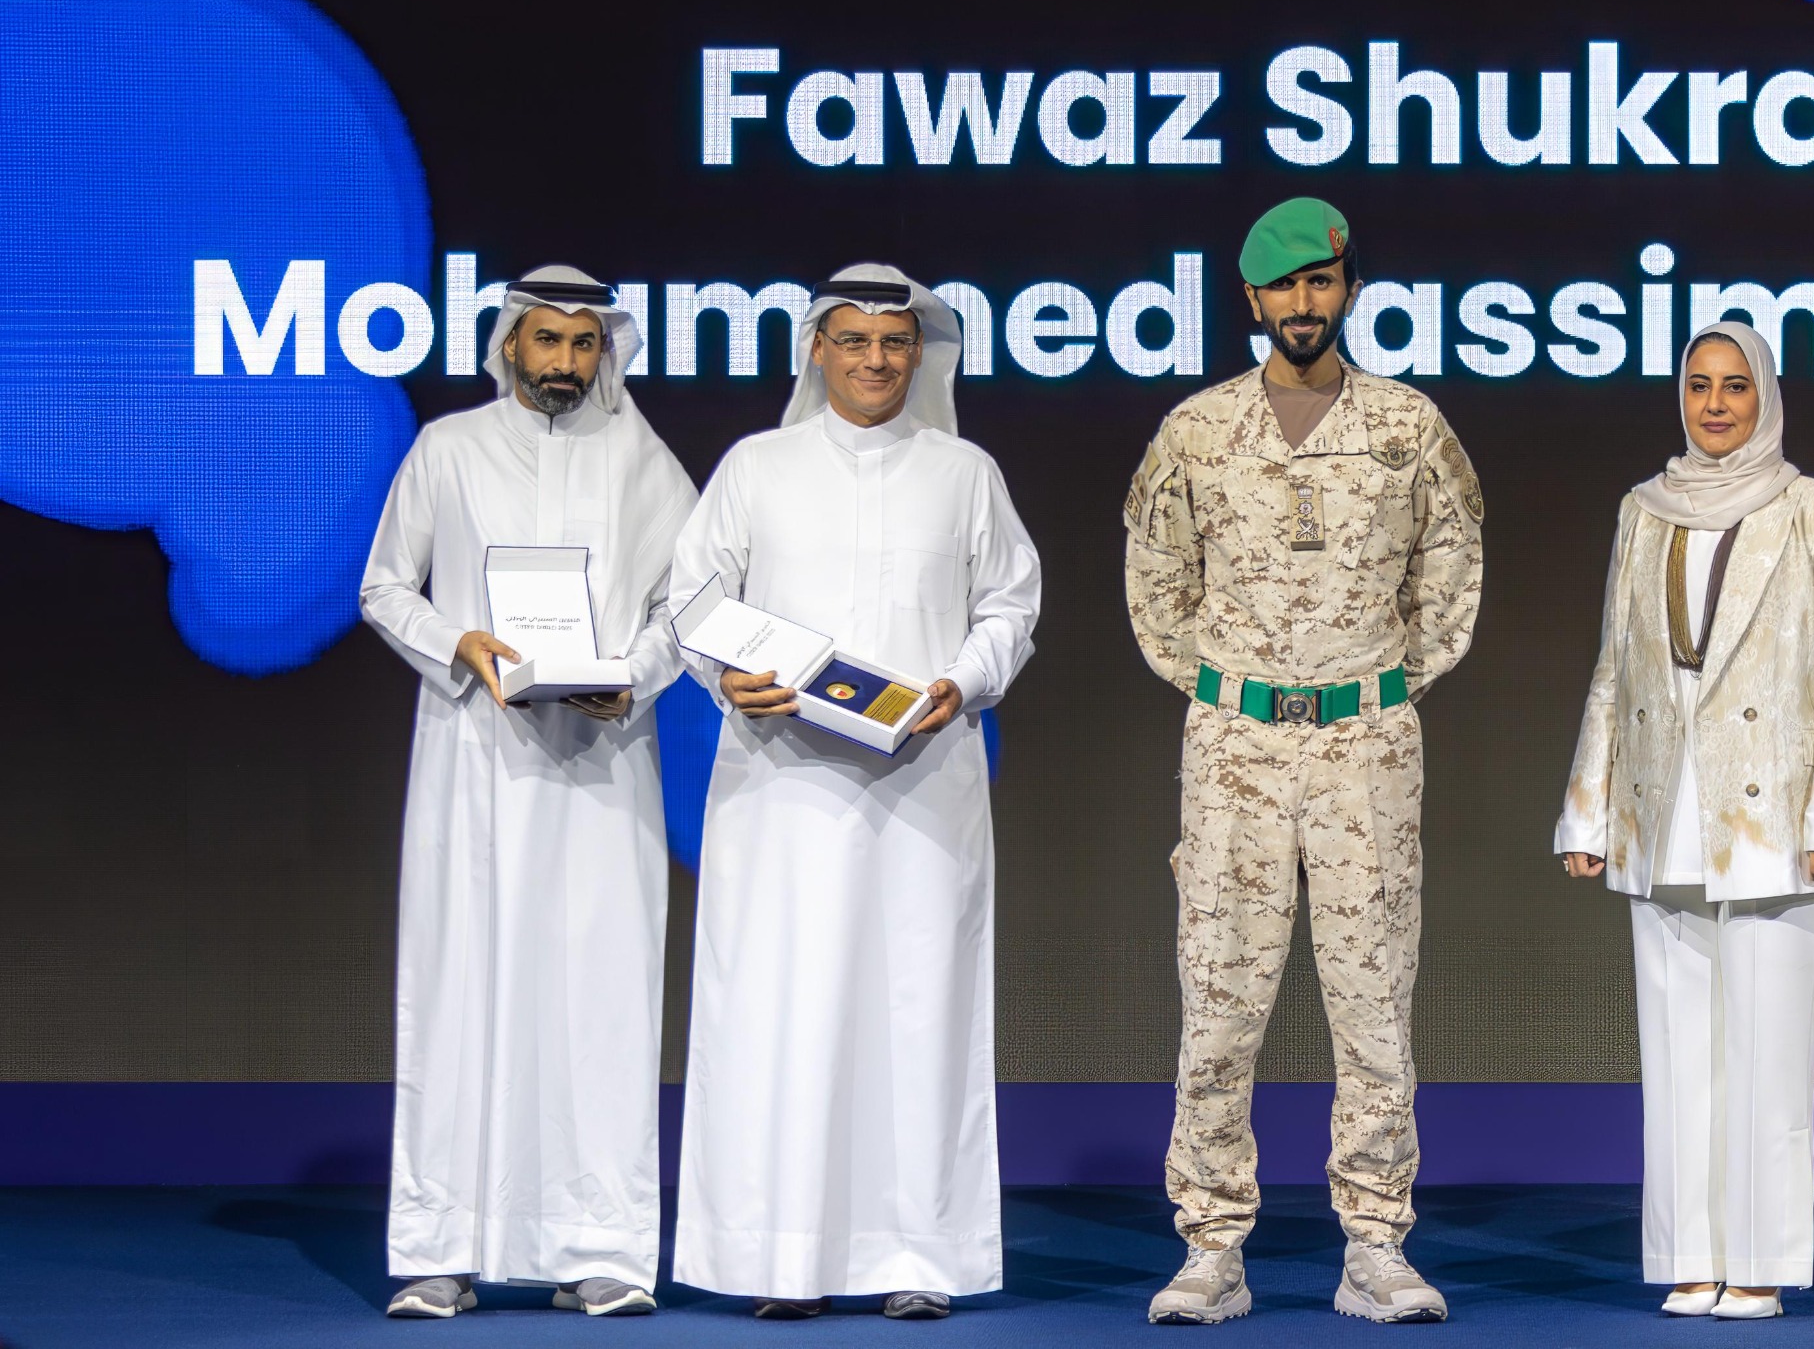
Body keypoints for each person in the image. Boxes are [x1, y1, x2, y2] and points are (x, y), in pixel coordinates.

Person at [1124, 197, 1485, 1326]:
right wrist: (1236, 692)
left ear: (1348, 289)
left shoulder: (1408, 426)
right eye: (1281, 285)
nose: (1302, 302)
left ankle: (1375, 1243)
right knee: (1218, 999)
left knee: (1374, 1001)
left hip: (1363, 744)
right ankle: (1211, 1246)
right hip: (1234, 742)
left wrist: (1368, 685)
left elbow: (1449, 578)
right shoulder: (1196, 431)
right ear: (1251, 299)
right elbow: (1157, 588)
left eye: (1320, 281)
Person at [657, 265, 1040, 1322]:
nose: (877, 359)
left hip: (924, 784)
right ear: (818, 349)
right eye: (856, 339)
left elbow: (1011, 606)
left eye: (895, 341)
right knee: (780, 1009)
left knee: (919, 1010)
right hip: (780, 789)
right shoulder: (757, 465)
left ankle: (918, 1255)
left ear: (921, 353)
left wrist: (961, 681)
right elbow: (692, 599)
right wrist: (723, 674)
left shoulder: (965, 471)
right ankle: (780, 1259)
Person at [359, 267, 699, 1320]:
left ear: (607, 351)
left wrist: (633, 675)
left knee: (601, 996)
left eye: (584, 343)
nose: (564, 361)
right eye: (546, 339)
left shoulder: (643, 460)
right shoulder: (448, 448)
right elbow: (384, 586)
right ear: (511, 342)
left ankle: (599, 1248)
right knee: (458, 985)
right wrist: (455, 640)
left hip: (602, 766)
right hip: (475, 758)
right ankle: (441, 1247)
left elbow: (692, 603)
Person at [1556, 322, 1814, 1321]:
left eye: (1735, 386)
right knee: (1675, 1051)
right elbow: (1613, 666)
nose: (1715, 404)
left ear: (1765, 396)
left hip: (1776, 813)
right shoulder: (1643, 508)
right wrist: (1586, 810)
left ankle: (1762, 1260)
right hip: (1664, 806)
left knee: (1767, 1055)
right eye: (1698, 385)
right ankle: (1689, 1254)